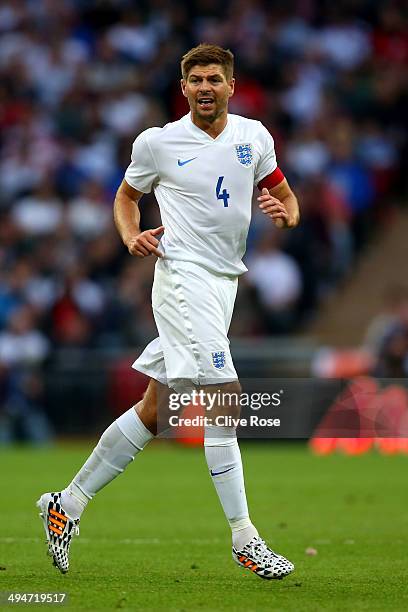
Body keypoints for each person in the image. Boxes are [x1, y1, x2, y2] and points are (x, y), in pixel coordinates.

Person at [37, 44, 299, 579]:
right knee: (224, 394)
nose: (205, 87)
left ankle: (67, 504)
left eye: (215, 79)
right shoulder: (157, 143)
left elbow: (286, 197)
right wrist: (131, 236)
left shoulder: (255, 137)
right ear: (184, 88)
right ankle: (244, 537)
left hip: (225, 283)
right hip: (181, 277)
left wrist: (286, 213)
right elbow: (125, 197)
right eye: (196, 79)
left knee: (155, 411)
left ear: (232, 85)